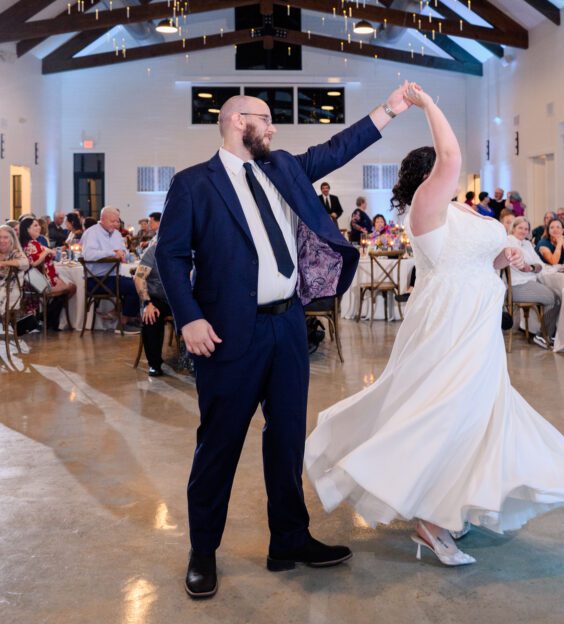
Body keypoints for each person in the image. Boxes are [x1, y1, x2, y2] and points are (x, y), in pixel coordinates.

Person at [305, 84, 564, 567]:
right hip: (450, 318)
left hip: (479, 316)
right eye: (442, 168)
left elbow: (477, 257)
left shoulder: (460, 211)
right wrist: (427, 104)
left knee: (475, 413)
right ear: (430, 174)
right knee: (448, 411)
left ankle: (448, 506)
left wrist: (505, 256)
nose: (451, 172)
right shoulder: (426, 203)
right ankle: (432, 521)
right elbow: (452, 157)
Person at [155, 84, 413, 598]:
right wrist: (189, 318)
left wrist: (389, 110)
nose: (272, 128)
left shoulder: (284, 168)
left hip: (289, 325)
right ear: (236, 121)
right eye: (265, 119)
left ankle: (289, 540)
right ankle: (203, 551)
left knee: (288, 439)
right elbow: (170, 255)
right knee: (219, 444)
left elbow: (338, 148)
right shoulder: (193, 183)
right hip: (229, 333)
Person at [81, 207, 140, 329]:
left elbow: (124, 251)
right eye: (112, 221)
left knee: (139, 282)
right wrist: (112, 253)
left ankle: (125, 316)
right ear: (102, 219)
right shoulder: (91, 233)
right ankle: (126, 321)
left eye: (117, 221)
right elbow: (88, 255)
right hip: (96, 280)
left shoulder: (117, 234)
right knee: (134, 286)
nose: (116, 224)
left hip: (113, 277)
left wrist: (123, 254)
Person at [507, 217, 560, 347]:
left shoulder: (527, 244)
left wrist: (532, 267)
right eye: (520, 228)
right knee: (554, 299)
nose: (523, 231)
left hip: (529, 282)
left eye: (526, 229)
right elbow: (522, 267)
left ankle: (547, 334)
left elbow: (539, 265)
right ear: (513, 228)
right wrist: (532, 268)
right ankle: (543, 335)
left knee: (557, 296)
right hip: (516, 286)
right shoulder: (509, 243)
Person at [19, 216, 77, 331]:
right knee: (72, 287)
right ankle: (46, 318)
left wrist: (50, 251)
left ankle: (48, 319)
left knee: (67, 290)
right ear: (27, 229)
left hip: (40, 279)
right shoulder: (30, 244)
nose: (39, 227)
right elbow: (33, 263)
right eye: (35, 225)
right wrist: (46, 252)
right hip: (40, 282)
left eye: (38, 225)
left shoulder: (32, 243)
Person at [132, 236, 173, 377]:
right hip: (157, 298)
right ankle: (154, 364)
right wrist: (147, 303)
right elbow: (139, 277)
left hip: (182, 298)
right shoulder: (154, 251)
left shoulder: (189, 250)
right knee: (151, 315)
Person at [0, 224, 28, 320]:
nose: (2, 240)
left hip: (10, 291)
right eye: (0, 237)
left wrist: (4, 263)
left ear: (12, 239)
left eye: (5, 237)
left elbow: (25, 263)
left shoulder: (16, 253)